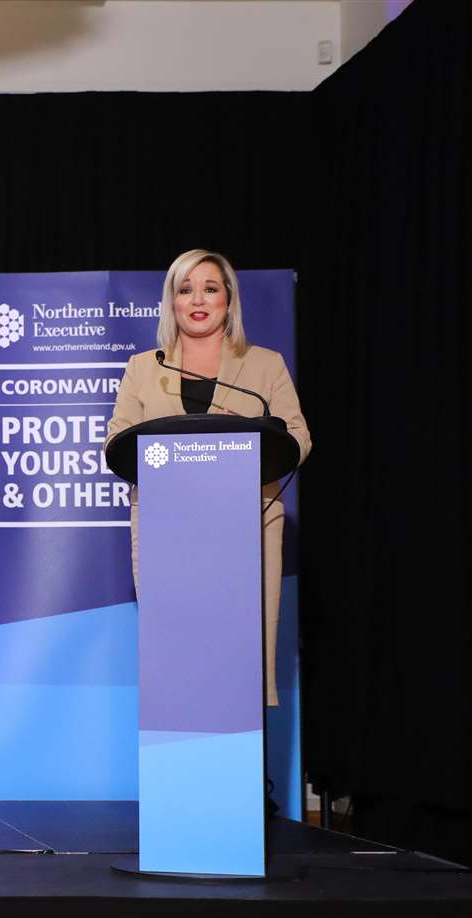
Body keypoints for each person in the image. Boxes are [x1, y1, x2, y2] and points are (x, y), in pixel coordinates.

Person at [106, 249, 311, 705]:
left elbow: (297, 435)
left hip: (247, 527)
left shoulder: (265, 364)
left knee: (240, 670)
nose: (198, 299)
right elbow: (116, 440)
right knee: (180, 672)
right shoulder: (145, 368)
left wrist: (248, 442)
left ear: (228, 300)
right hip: (168, 532)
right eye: (185, 289)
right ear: (172, 302)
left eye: (210, 288)